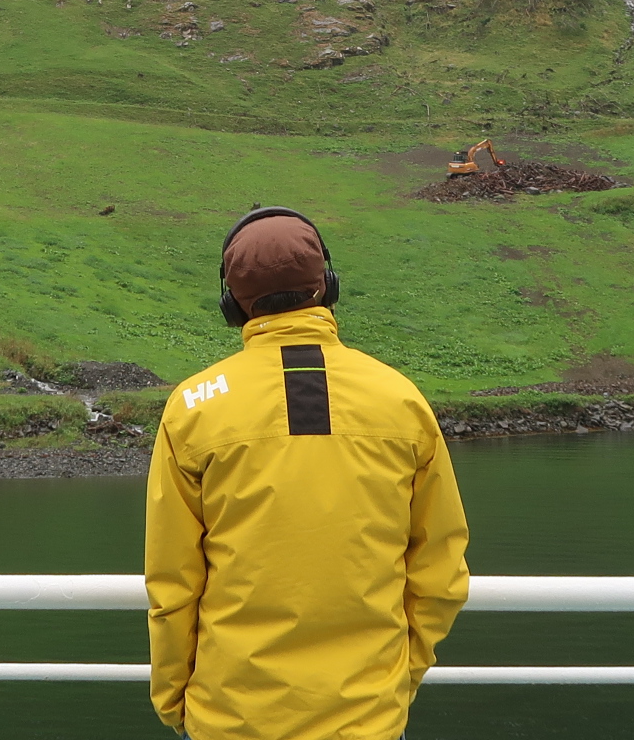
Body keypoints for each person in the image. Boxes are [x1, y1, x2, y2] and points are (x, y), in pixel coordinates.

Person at [144, 206, 470, 740]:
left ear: (233, 303)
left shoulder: (193, 408)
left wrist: (174, 698)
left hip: (231, 718)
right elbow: (440, 570)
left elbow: (173, 583)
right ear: (327, 285)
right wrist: (398, 677)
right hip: (370, 717)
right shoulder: (400, 398)